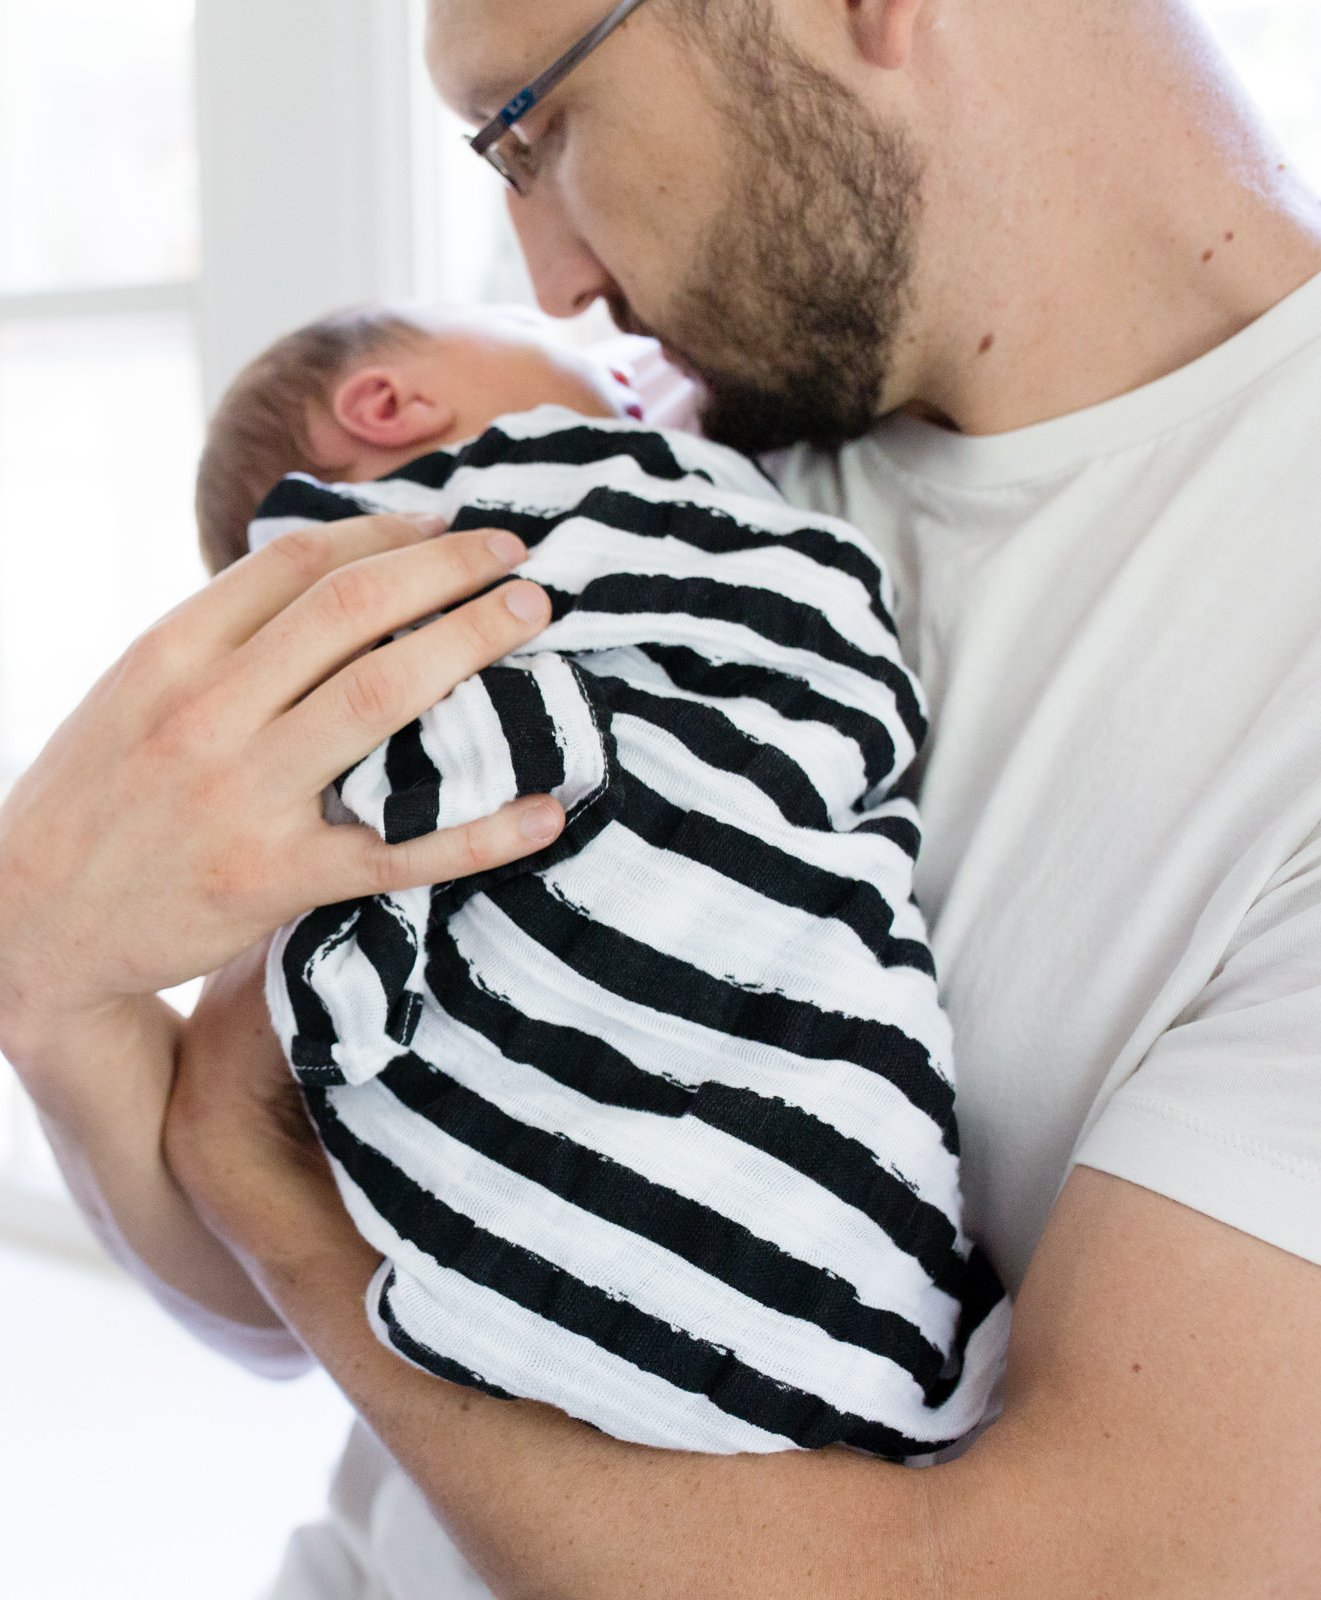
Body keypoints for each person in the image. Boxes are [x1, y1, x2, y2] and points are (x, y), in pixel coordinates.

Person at [0, 0, 1321, 1592]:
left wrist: (285, 1217)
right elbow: (250, 1247)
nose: (551, 282)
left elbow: (1053, 1574)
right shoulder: (621, 458)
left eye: (535, 125)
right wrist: (48, 997)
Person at [198, 302, 1004, 1455]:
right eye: (563, 356)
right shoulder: (502, 501)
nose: (624, 382)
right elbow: (816, 628)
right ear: (391, 405)